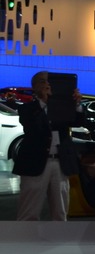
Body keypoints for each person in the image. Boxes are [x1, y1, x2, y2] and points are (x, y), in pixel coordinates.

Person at [12, 71, 84, 221]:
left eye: (50, 82)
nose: (47, 85)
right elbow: (35, 126)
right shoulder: (27, 109)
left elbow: (77, 122)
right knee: (29, 211)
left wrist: (76, 103)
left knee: (60, 210)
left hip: (60, 162)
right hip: (34, 163)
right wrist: (45, 102)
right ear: (34, 86)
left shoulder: (63, 106)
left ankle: (57, 241)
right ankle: (26, 240)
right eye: (42, 82)